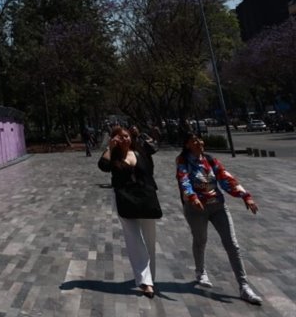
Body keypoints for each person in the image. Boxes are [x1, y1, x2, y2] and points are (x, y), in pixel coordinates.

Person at [176, 132, 263, 305]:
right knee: (201, 240)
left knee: (232, 244)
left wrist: (245, 195)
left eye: (200, 139)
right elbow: (183, 180)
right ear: (187, 145)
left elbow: (225, 178)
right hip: (196, 209)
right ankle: (200, 272)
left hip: (218, 207)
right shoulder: (183, 161)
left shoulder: (210, 160)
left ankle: (244, 286)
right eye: (194, 140)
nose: (199, 142)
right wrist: (193, 197)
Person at [98, 126, 162, 297]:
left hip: (146, 199)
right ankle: (145, 281)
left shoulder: (140, 150)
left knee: (150, 240)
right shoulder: (113, 156)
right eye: (119, 137)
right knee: (134, 239)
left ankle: (151, 277)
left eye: (126, 136)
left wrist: (141, 133)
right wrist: (110, 148)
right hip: (125, 200)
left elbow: (154, 147)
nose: (124, 139)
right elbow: (103, 166)